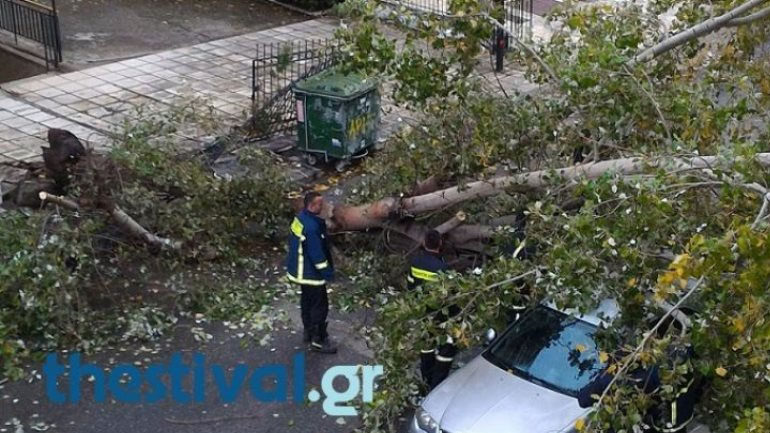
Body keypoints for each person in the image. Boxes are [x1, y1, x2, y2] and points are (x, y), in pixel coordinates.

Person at [407, 230, 459, 390]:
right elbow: (453, 296)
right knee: (447, 348)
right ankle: (437, 383)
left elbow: (410, 285)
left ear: (424, 243)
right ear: (440, 244)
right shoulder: (442, 269)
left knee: (426, 347)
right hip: (440, 315)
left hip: (422, 312)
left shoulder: (415, 262)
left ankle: (426, 380)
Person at [286, 191, 337, 354]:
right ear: (312, 205)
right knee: (319, 306)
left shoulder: (301, 218)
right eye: (320, 204)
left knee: (307, 302)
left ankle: (308, 332)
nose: (323, 207)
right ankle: (319, 340)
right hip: (311, 273)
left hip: (300, 271)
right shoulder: (312, 227)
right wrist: (328, 273)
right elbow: (317, 255)